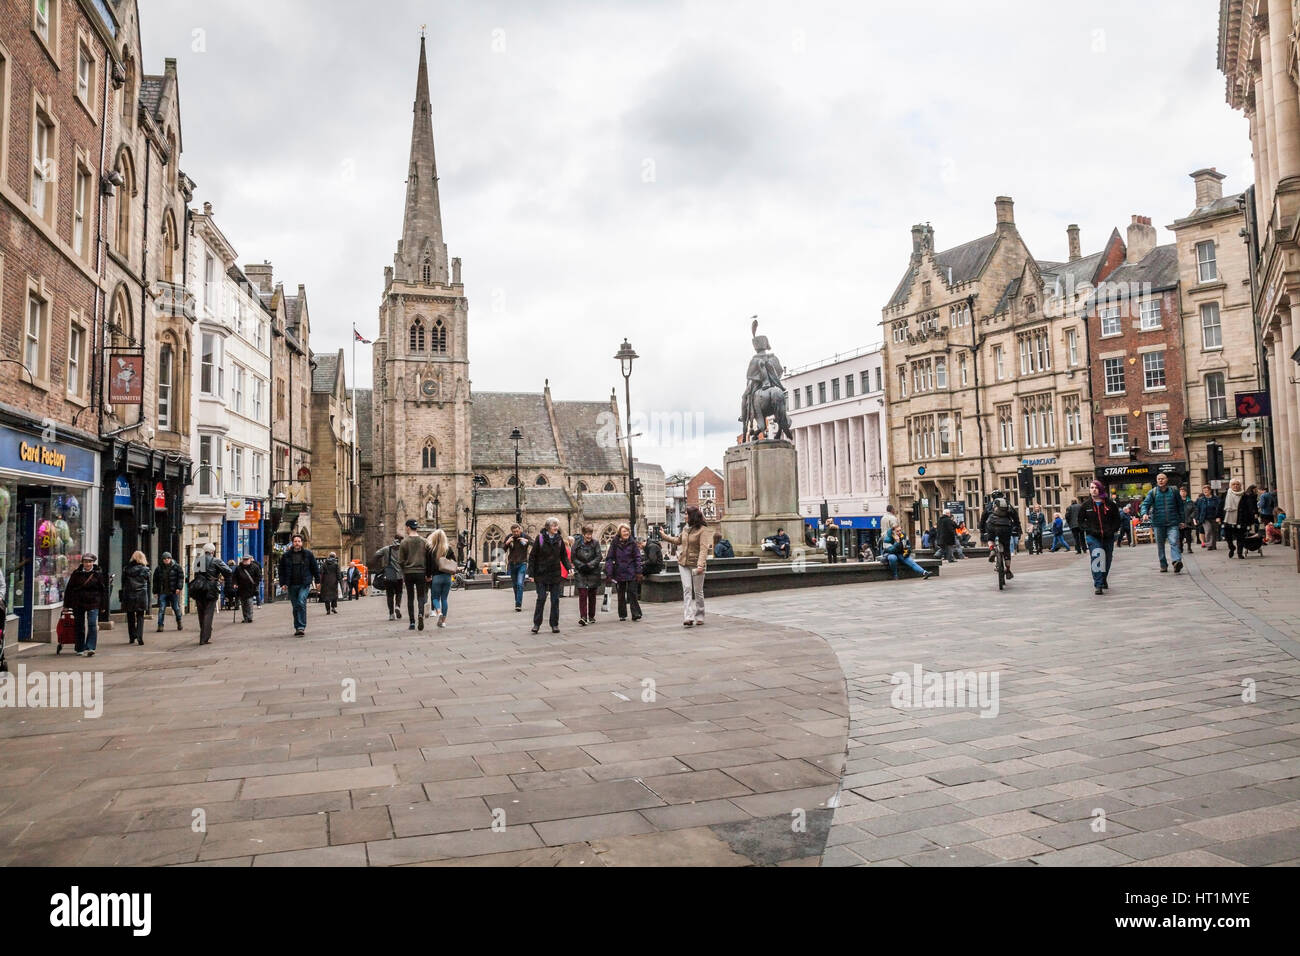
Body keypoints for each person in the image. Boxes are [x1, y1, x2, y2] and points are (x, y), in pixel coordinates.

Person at [659, 506, 711, 628]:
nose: (685, 516)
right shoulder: (686, 529)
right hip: (683, 563)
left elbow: (704, 549)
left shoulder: (703, 530)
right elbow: (678, 540)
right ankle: (688, 617)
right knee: (687, 589)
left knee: (698, 591)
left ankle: (700, 615)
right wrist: (664, 536)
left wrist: (700, 565)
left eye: (686, 514)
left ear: (692, 516)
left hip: (696, 564)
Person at [528, 517, 570, 634]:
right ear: (548, 527)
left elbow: (563, 556)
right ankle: (536, 624)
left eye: (557, 525)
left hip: (555, 574)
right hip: (541, 574)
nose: (556, 528)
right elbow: (532, 557)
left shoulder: (559, 539)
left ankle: (554, 625)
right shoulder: (540, 539)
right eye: (554, 526)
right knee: (541, 598)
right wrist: (531, 573)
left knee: (555, 600)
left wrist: (569, 568)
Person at [1081, 478, 1123, 595]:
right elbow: (1081, 521)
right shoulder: (1086, 505)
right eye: (1092, 488)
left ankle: (1103, 578)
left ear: (1100, 489)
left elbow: (1117, 520)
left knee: (1107, 559)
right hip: (1093, 536)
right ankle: (1098, 584)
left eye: (1096, 488)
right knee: (1097, 556)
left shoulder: (1110, 504)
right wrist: (1089, 529)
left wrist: (1112, 530)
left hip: (1108, 536)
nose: (1094, 490)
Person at [1140, 473, 1184, 573]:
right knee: (1160, 545)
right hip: (1158, 524)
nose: (1160, 480)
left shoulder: (1174, 491)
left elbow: (1180, 506)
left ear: (1166, 480)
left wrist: (1182, 521)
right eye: (1159, 479)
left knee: (1174, 542)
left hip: (1173, 523)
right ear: (1156, 481)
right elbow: (1145, 504)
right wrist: (1144, 513)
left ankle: (1176, 561)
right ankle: (1163, 564)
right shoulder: (1153, 492)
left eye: (1162, 479)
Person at [64, 553, 106, 657]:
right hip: (78, 602)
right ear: (82, 562)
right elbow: (69, 589)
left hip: (93, 602)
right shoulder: (76, 573)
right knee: (79, 625)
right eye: (85, 561)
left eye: (90, 561)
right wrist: (66, 604)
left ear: (93, 562)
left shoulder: (98, 574)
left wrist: (103, 605)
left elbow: (103, 590)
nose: (87, 564)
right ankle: (80, 648)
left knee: (92, 624)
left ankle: (90, 647)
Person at [278, 533, 319, 637]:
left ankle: (301, 627)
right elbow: (281, 570)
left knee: (301, 602)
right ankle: (297, 627)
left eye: (299, 541)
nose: (297, 543)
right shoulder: (286, 556)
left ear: (302, 543)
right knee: (295, 606)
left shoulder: (308, 554)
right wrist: (282, 583)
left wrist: (318, 581)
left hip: (304, 583)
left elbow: (314, 568)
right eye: (295, 541)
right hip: (291, 584)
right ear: (292, 543)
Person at [602, 524, 643, 622]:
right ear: (620, 532)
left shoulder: (633, 543)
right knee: (621, 594)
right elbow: (609, 558)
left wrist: (638, 572)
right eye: (624, 531)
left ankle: (635, 613)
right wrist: (609, 573)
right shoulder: (615, 543)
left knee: (632, 592)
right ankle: (622, 614)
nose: (627, 533)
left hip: (631, 571)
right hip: (619, 571)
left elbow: (637, 557)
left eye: (628, 531)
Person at [192, 543, 230, 646]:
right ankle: (204, 638)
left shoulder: (198, 560)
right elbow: (228, 570)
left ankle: (203, 634)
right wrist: (220, 577)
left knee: (201, 612)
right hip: (211, 588)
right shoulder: (216, 560)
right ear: (213, 551)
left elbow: (196, 574)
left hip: (199, 588)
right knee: (208, 613)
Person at [398, 519, 432, 631]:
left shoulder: (404, 542)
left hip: (408, 572)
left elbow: (401, 561)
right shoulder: (424, 541)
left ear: (408, 527)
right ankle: (420, 614)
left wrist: (404, 571)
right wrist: (428, 574)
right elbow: (429, 559)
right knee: (421, 596)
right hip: (421, 572)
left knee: (410, 597)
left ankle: (412, 622)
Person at [570, 526, 605, 626]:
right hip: (581, 571)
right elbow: (573, 557)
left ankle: (591, 616)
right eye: (587, 534)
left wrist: (590, 564)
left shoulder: (595, 543)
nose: (589, 536)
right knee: (582, 593)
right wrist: (581, 565)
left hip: (593, 571)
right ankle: (583, 616)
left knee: (592, 594)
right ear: (583, 534)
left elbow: (599, 556)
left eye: (590, 534)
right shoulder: (576, 544)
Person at [980, 494, 1020, 579]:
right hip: (1006, 526)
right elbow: (1015, 517)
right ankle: (1008, 570)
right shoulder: (1008, 505)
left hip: (992, 525)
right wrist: (1017, 528)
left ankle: (992, 550)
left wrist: (982, 530)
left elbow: (983, 518)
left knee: (990, 539)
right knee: (1006, 548)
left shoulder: (990, 505)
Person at [427, 528, 456, 628]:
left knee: (435, 598)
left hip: (436, 577)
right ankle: (443, 622)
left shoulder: (431, 549)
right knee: (444, 599)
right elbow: (454, 562)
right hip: (447, 577)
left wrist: (428, 576)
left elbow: (428, 565)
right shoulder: (449, 549)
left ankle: (438, 612)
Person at [122, 551, 151, 646]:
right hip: (141, 595)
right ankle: (139, 636)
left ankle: (131, 636)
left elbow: (123, 582)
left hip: (129, 594)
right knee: (140, 616)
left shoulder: (126, 569)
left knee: (130, 616)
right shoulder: (145, 570)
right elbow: (148, 582)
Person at [1221, 479, 1255, 559]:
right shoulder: (1225, 494)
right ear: (1230, 485)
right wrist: (1218, 517)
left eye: (1237, 484)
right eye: (1233, 484)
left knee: (1240, 537)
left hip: (1241, 519)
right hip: (1228, 519)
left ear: (1240, 486)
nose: (1235, 486)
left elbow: (1250, 508)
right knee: (1227, 536)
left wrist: (1251, 520)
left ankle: (1240, 553)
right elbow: (1220, 506)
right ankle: (1232, 548)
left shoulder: (1245, 495)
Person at [373, 536, 404, 620]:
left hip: (389, 575)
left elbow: (376, 555)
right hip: (399, 576)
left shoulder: (386, 549)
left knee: (389, 595)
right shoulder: (402, 550)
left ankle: (391, 614)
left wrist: (378, 567)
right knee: (399, 593)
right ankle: (397, 606)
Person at [153, 551, 184, 632]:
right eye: (165, 558)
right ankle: (160, 626)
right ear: (162, 560)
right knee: (161, 609)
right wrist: (155, 592)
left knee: (176, 608)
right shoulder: (159, 568)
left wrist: (179, 588)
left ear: (171, 558)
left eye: (168, 558)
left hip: (173, 592)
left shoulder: (177, 567)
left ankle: (179, 622)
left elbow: (181, 578)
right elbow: (155, 581)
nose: (166, 560)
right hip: (163, 592)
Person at [503, 524, 530, 612]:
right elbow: (503, 549)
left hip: (522, 563)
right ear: (511, 532)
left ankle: (518, 604)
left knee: (519, 584)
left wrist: (526, 540)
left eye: (517, 531)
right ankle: (517, 601)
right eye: (514, 532)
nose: (516, 533)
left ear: (520, 530)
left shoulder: (524, 536)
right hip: (512, 564)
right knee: (515, 585)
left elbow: (534, 543)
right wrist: (507, 542)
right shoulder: (509, 537)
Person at [234, 555, 261, 623]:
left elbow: (258, 576)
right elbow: (234, 577)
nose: (245, 561)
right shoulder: (238, 568)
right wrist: (235, 584)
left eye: (247, 560)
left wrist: (256, 584)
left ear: (250, 560)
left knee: (249, 602)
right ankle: (245, 617)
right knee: (243, 603)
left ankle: (249, 617)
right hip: (241, 588)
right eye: (244, 560)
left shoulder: (255, 567)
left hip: (250, 587)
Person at [1195, 485, 1222, 550]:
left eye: (1206, 491)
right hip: (1205, 518)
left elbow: (1219, 508)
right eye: (1204, 491)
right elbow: (1197, 509)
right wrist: (1196, 518)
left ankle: (1213, 545)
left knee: (1214, 532)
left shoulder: (1216, 499)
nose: (1205, 492)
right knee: (1208, 530)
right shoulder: (1200, 500)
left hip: (1214, 517)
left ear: (1210, 491)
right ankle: (1209, 545)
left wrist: (1219, 517)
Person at [1178, 486, 1196, 554]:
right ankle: (1180, 548)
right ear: (1179, 493)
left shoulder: (1190, 501)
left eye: (1184, 491)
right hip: (1180, 522)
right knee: (1180, 536)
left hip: (1188, 521)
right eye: (1181, 491)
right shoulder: (1177, 502)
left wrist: (1190, 517)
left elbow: (1194, 510)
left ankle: (1189, 548)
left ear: (1186, 492)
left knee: (1188, 535)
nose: (1183, 493)